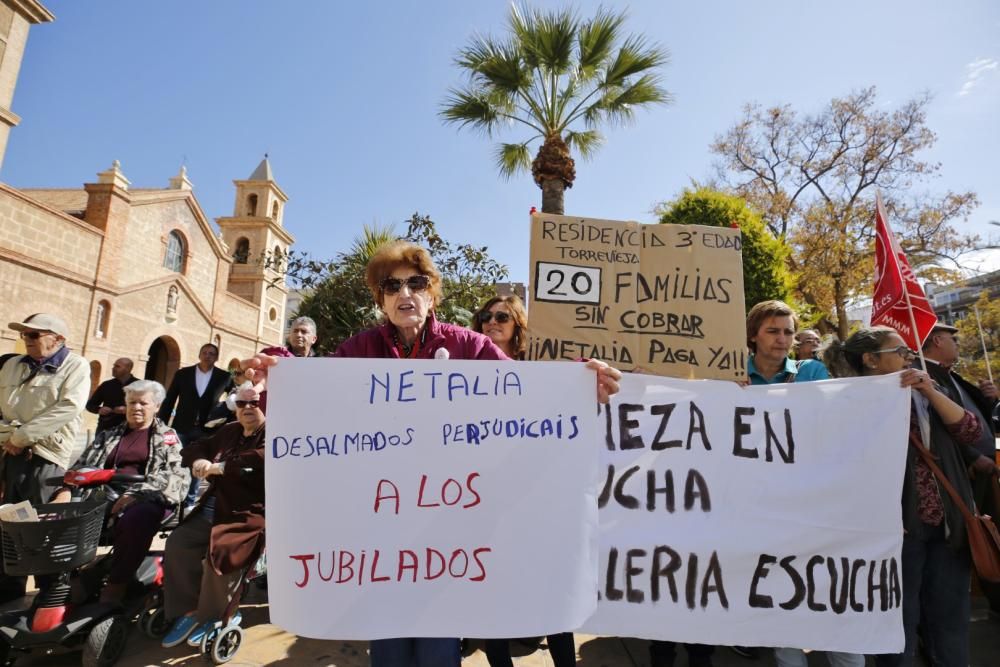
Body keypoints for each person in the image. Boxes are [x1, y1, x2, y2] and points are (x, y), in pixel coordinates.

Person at [243, 241, 621, 667]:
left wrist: (581, 384)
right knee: (387, 642)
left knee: (438, 645)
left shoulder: (470, 347)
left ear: (432, 292)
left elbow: (526, 393)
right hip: (380, 531)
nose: (405, 294)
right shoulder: (358, 351)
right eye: (392, 286)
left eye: (415, 283)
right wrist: (275, 374)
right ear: (380, 299)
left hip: (446, 530)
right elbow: (313, 402)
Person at [823, 326, 992, 667]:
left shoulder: (930, 389)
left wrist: (931, 392)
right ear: (870, 360)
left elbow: (970, 431)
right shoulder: (847, 402)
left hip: (948, 527)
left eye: (909, 353)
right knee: (896, 627)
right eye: (899, 353)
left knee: (950, 624)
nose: (909, 358)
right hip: (894, 533)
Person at [471, 294, 575, 667]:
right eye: (485, 316)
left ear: (518, 325)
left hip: (534, 504)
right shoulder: (462, 372)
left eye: (502, 316)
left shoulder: (541, 370)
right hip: (482, 502)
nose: (491, 322)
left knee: (549, 596)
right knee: (493, 597)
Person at [57, 380, 189, 603]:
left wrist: (135, 494)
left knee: (137, 518)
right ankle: (67, 580)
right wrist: (66, 489)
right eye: (132, 402)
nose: (136, 408)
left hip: (149, 496)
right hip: (103, 494)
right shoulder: (109, 435)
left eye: (143, 403)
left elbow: (177, 475)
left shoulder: (167, 437)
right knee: (59, 516)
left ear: (156, 406)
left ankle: (117, 585)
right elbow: (81, 466)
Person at [161, 384, 265, 649]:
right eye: (241, 404)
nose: (248, 409)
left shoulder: (275, 434)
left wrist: (220, 467)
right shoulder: (230, 431)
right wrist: (198, 462)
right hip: (212, 508)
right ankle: (188, 609)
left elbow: (260, 459)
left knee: (219, 556)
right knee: (178, 543)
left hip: (246, 514)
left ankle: (217, 614)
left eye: (254, 403)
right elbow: (198, 446)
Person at [0, 313, 90, 604]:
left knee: (42, 527)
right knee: (9, 524)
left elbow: (68, 407)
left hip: (45, 459)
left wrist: (21, 437)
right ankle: (10, 592)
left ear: (58, 339)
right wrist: (8, 437)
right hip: (9, 455)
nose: (27, 339)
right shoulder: (11, 365)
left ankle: (50, 596)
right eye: (25, 334)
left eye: (34, 335)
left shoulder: (75, 366)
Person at [919, 322, 1000, 611]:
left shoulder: (951, 376)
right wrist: (972, 457)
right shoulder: (924, 377)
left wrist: (990, 400)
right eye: (953, 339)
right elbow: (944, 426)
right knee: (977, 540)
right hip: (962, 475)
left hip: (983, 470)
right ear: (938, 341)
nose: (958, 344)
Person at [158, 343, 231, 507]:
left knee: (199, 464)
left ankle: (189, 501)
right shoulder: (183, 374)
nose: (208, 355)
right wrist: (161, 425)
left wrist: (224, 420)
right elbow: (169, 400)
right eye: (204, 352)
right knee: (176, 461)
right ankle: (172, 497)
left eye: (212, 353)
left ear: (217, 357)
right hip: (181, 428)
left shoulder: (224, 377)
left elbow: (234, 399)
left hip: (207, 431)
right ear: (199, 355)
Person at [746, 301, 828, 385]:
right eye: (773, 331)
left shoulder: (812, 371)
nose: (782, 340)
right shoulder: (736, 375)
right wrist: (732, 388)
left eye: (788, 332)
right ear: (753, 335)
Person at [86, 357, 138, 434]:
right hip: (105, 429)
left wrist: (128, 410)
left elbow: (148, 407)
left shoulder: (139, 386)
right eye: (114, 366)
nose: (113, 368)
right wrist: (99, 409)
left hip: (129, 430)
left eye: (117, 366)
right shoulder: (106, 385)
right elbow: (90, 405)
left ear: (128, 369)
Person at [471, 295, 528, 360]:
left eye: (502, 317)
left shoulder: (532, 360)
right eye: (486, 316)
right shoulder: (467, 358)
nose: (492, 321)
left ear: (517, 323)